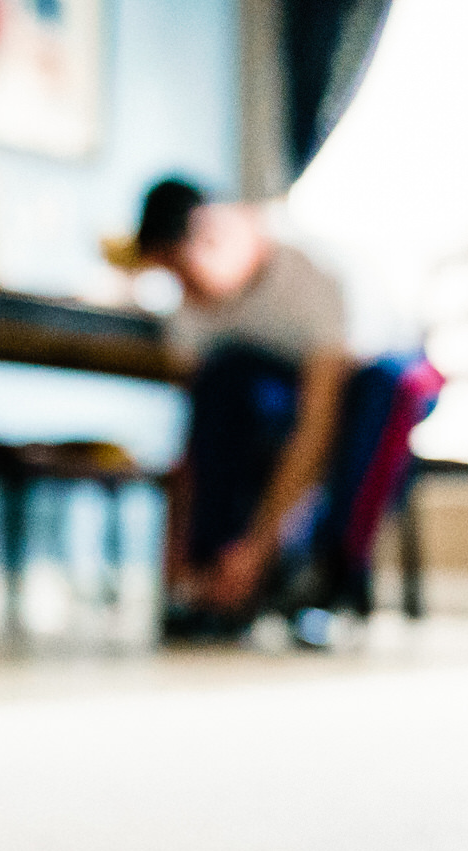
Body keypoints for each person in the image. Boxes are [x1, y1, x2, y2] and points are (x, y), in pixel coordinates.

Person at [133, 178, 354, 622]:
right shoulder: (191, 312)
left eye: (179, 267)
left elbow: (318, 427)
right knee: (225, 383)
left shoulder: (308, 280)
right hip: (256, 407)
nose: (181, 288)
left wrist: (259, 545)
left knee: (377, 401)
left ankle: (325, 580)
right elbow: (194, 444)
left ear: (212, 237)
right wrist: (176, 554)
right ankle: (210, 575)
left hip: (353, 387)